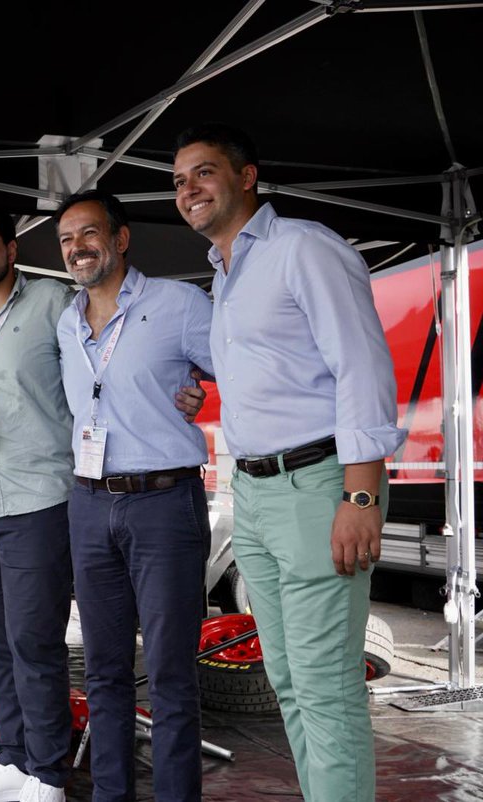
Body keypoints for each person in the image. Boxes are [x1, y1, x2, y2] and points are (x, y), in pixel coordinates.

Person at [172, 123, 406, 802]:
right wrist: (202, 390)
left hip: (316, 486)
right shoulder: (226, 273)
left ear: (246, 177)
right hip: (253, 493)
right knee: (291, 685)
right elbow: (277, 368)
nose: (189, 189)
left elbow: (362, 367)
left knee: (325, 687)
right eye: (179, 180)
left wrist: (360, 497)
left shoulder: (303, 247)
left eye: (204, 172)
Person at [0, 207, 205, 802]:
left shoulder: (57, 304)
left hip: (66, 493)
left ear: (11, 249)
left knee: (75, 649)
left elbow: (218, 364)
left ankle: (48, 769)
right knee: (34, 651)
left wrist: (194, 385)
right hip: (3, 495)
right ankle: (23, 761)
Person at [55, 190, 214, 802]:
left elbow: (241, 368)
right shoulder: (67, 321)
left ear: (120, 239)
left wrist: (203, 392)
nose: (77, 248)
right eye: (67, 239)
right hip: (90, 502)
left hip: (163, 501)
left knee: (171, 673)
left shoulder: (179, 304)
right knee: (103, 671)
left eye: (89, 233)